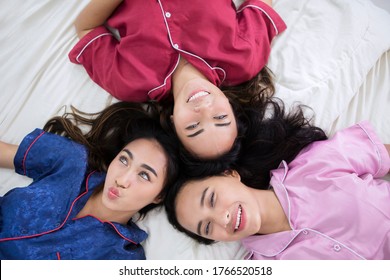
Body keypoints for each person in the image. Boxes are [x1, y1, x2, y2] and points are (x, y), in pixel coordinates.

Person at [69, 0, 286, 159]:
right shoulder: (244, 58)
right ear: (231, 107)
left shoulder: (128, 82)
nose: (204, 109)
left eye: (193, 126)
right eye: (220, 117)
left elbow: (86, 28)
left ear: (173, 122)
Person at [165, 121, 390, 259]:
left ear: (229, 174)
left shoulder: (314, 164)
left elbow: (382, 155)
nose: (220, 218)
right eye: (207, 227)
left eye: (212, 199)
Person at [0, 102, 180, 260]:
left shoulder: (121, 258)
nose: (122, 180)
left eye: (144, 175)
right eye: (124, 160)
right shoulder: (73, 160)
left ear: (160, 195)